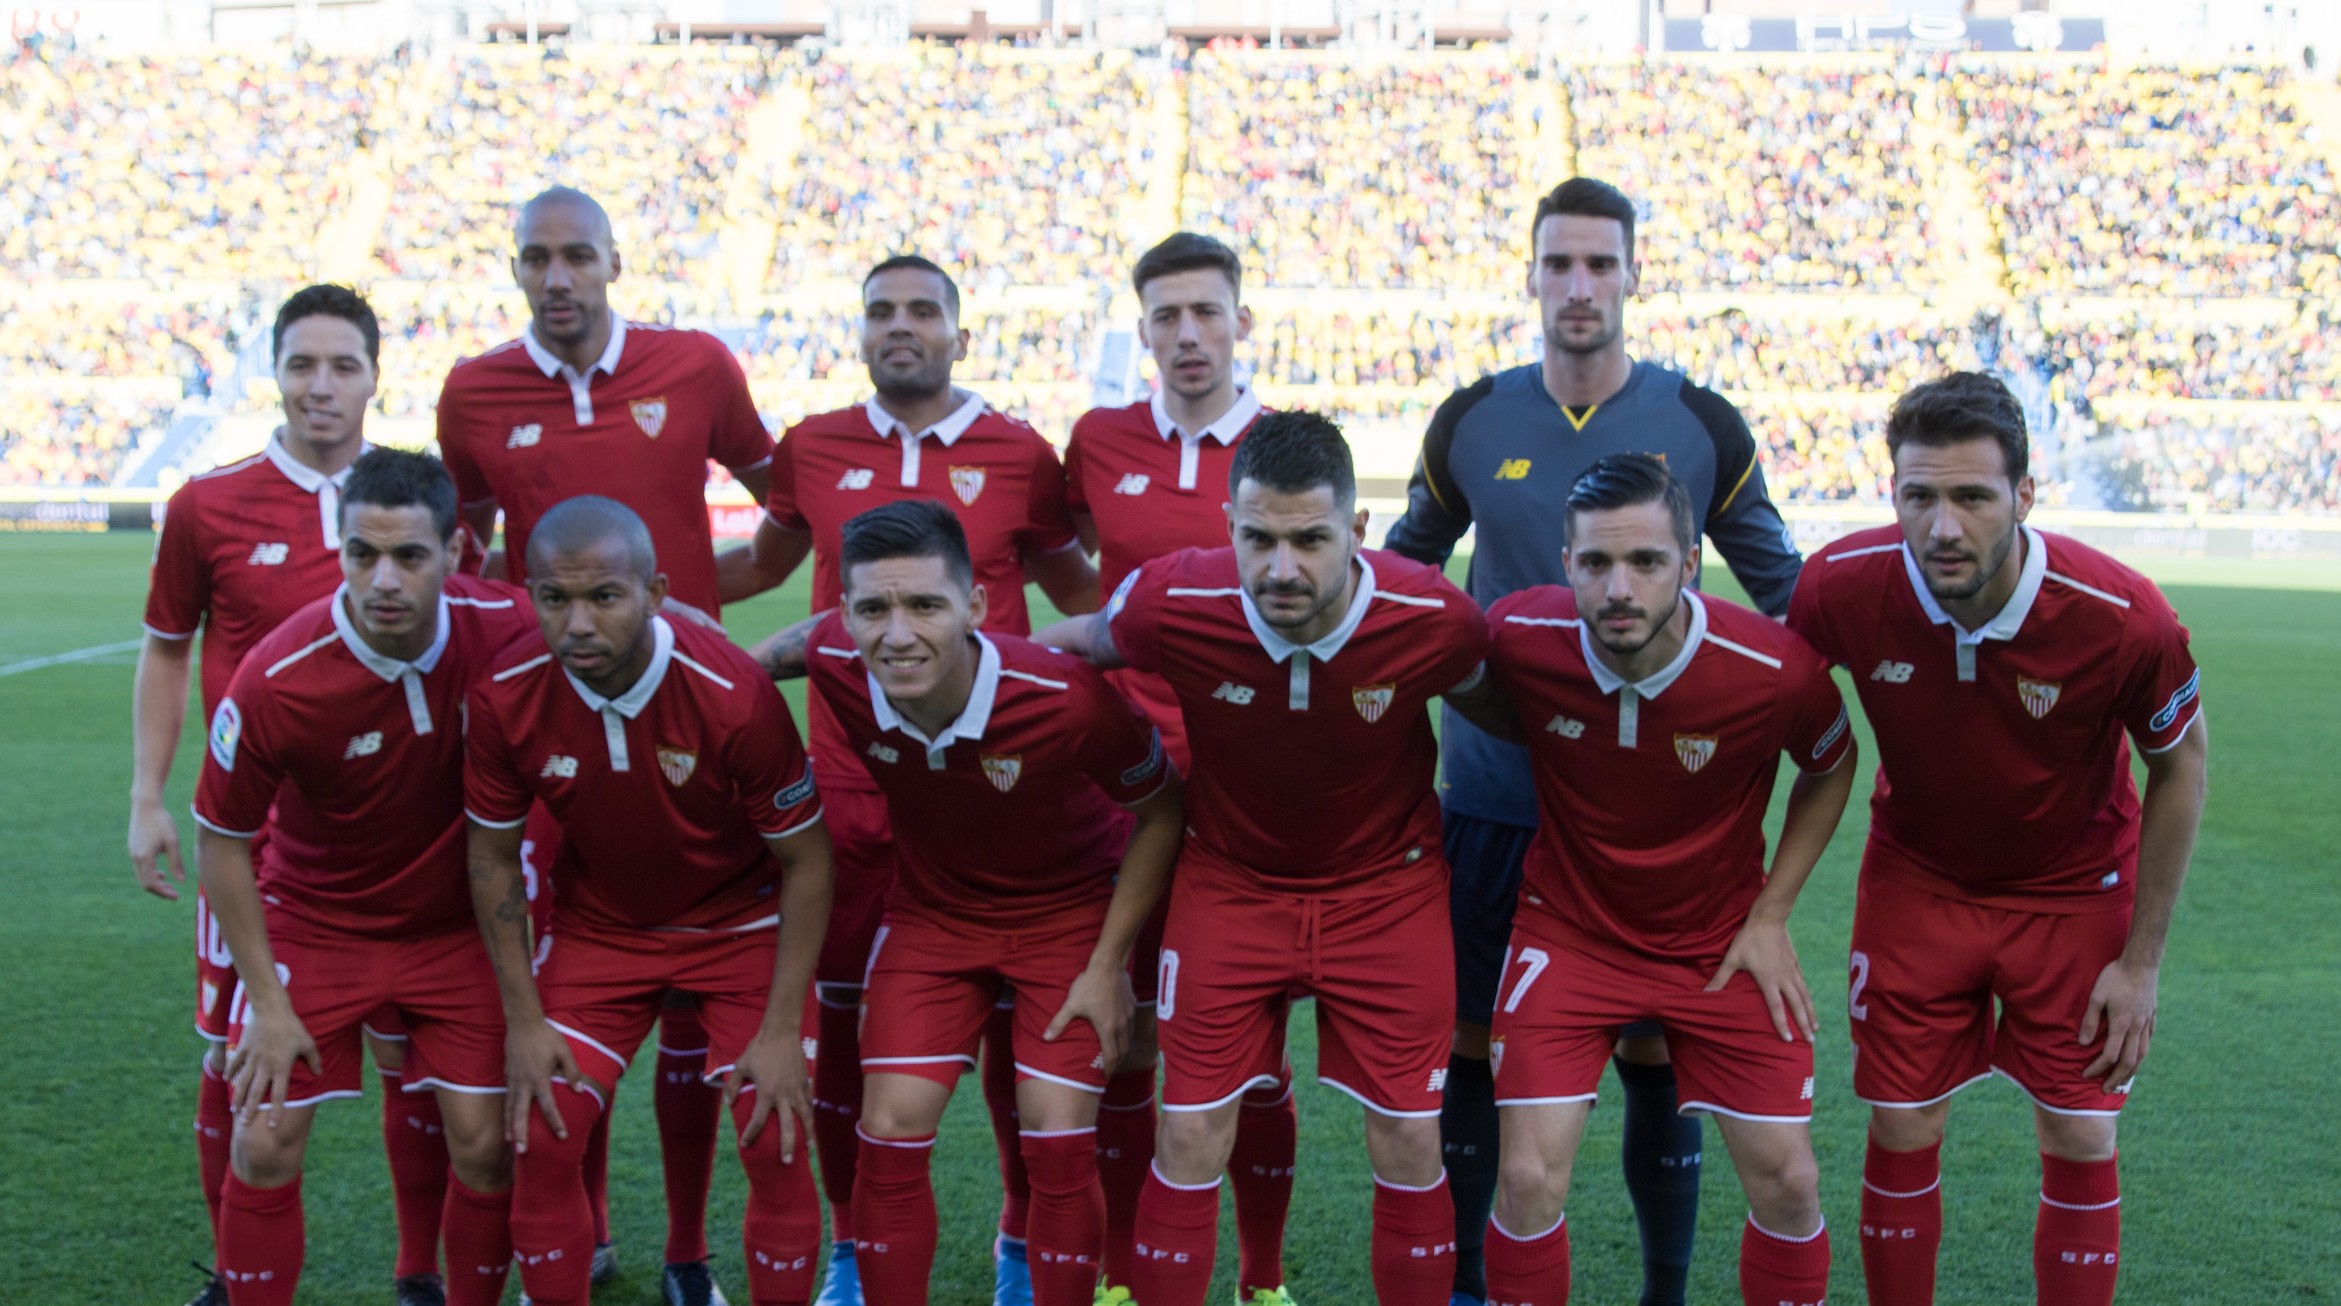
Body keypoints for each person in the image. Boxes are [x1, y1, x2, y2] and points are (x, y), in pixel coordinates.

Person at [1382, 177, 1804, 1306]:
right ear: (1530, 274)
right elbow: (1401, 577)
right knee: (1477, 1049)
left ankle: (1662, 1289)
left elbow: (1784, 589)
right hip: (1494, 793)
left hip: (1649, 813)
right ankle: (1479, 1281)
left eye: (1598, 264)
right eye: (1557, 264)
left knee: (1654, 1051)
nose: (1578, 286)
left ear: (1630, 275)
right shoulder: (1470, 418)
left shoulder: (1700, 423)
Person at [1037, 411, 1490, 1306]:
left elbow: (1516, 709)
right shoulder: (1172, 601)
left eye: (1310, 540)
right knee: (1191, 1129)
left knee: (1407, 1137)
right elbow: (1081, 645)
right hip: (1230, 885)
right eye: (1258, 539)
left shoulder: (1434, 618)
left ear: (1356, 532)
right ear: (1228, 527)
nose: (1281, 568)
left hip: (1384, 893)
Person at [720, 254, 1099, 1306]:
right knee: (850, 1030)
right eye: (881, 310)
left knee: (1008, 1034)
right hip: (851, 795)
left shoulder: (1019, 453)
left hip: (997, 790)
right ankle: (852, 1246)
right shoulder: (814, 445)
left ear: (959, 334)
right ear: (859, 330)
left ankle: (1020, 1244)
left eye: (922, 311)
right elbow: (765, 570)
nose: (901, 327)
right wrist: (631, 602)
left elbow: (1077, 600)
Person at [1786, 373, 2210, 1306]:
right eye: (1918, 496)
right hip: (1915, 883)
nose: (1942, 527)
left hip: (2075, 891)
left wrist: (2140, 965)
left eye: (1972, 497)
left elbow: (2180, 766)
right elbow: (1762, 714)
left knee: (2080, 1133)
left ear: (2023, 496)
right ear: (1891, 492)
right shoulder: (1841, 586)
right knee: (1899, 1120)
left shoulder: (2121, 618)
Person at [436, 186, 776, 1300]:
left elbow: (788, 517)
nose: (558, 277)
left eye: (577, 255)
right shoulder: (474, 394)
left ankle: (687, 1251)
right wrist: (555, 648)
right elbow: (473, 558)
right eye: (536, 258)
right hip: (553, 735)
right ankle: (574, 1236)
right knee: (573, 1000)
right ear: (515, 269)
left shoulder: (697, 369)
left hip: (694, 719)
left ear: (615, 261)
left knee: (697, 1010)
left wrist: (687, 611)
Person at [1445, 455, 1855, 1306]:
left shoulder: (1773, 670)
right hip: (1570, 935)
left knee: (1788, 1181)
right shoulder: (1523, 636)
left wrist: (1772, 914)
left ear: (1690, 561)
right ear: (1565, 565)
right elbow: (1460, 678)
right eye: (1594, 563)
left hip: (1720, 945)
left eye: (1645, 562)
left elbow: (1831, 763)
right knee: (1524, 1180)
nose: (1617, 588)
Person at [751, 499, 1183, 1305]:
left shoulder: (1063, 697)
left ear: (975, 607)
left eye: (925, 604)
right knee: (890, 1124)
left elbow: (1162, 811)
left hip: (1068, 917)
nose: (898, 632)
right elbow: (747, 670)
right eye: (873, 608)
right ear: (843, 614)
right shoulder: (834, 658)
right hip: (935, 918)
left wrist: (1107, 964)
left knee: (1056, 1133)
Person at [130, 285, 466, 1306]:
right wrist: (147, 794)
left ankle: (418, 1271)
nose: (322, 386)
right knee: (237, 1066)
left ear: (374, 374)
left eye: (343, 365)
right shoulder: (208, 504)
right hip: (256, 844)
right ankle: (237, 1278)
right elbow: (166, 647)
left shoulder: (415, 505)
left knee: (424, 1059)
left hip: (404, 840)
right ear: (273, 372)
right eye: (301, 365)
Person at [464, 496, 833, 1306]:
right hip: (605, 928)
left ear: (656, 592)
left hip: (743, 924)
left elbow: (807, 862)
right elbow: (490, 853)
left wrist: (778, 1031)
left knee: (775, 1137)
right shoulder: (504, 693)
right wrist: (524, 1022)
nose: (578, 624)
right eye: (554, 599)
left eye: (605, 596)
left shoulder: (731, 693)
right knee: (542, 1130)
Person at [190, 449, 533, 1306]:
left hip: (458, 931)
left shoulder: (515, 628)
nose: (383, 580)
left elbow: (635, 641)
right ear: (338, 548)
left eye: (409, 557)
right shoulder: (275, 677)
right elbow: (223, 841)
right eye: (360, 554)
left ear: (456, 551)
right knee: (263, 1137)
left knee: (485, 1144)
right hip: (318, 923)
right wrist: (266, 1003)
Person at [1059, 231, 1297, 1305]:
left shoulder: (1287, 450)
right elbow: (1074, 568)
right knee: (1124, 1036)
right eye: (1166, 316)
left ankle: (1261, 1277)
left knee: (1253, 1051)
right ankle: (1117, 1278)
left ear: (1243, 320)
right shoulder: (1099, 440)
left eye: (1207, 311)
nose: (1188, 334)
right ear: (1143, 327)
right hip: (1119, 788)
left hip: (1248, 788)